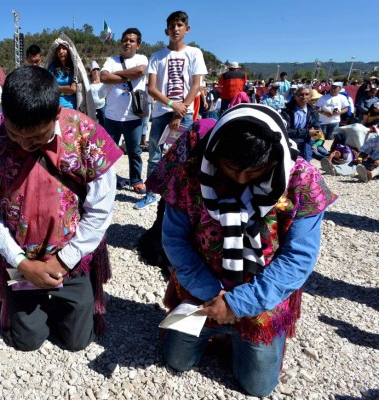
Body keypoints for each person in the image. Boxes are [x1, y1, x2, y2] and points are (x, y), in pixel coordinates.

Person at [157, 103, 337, 397]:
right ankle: (219, 330)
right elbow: (175, 239)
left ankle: (236, 332)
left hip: (262, 295)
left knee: (258, 387)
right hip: (201, 290)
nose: (239, 180)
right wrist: (211, 294)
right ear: (215, 154)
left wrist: (238, 304)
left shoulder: (301, 179)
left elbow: (298, 257)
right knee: (176, 361)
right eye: (230, 167)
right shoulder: (191, 171)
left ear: (273, 160)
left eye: (253, 171)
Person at [0, 66, 122, 351]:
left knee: (77, 341)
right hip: (20, 259)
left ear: (56, 115)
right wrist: (24, 263)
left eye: (37, 137)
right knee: (28, 341)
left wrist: (62, 261)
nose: (25, 145)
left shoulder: (87, 136)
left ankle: (76, 294)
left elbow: (100, 211)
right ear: (4, 116)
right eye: (15, 135)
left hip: (72, 258)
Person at [136, 10, 207, 209]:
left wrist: (179, 110)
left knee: (184, 155)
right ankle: (150, 193)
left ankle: (180, 196)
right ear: (166, 30)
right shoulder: (157, 56)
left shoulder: (194, 53)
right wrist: (171, 104)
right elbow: (151, 88)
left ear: (187, 28)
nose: (176, 29)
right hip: (161, 112)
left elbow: (195, 85)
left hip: (183, 114)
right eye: (172, 26)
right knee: (155, 154)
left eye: (180, 25)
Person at [100, 28, 149, 195]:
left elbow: (140, 71)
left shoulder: (141, 58)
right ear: (121, 42)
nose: (128, 43)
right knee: (108, 152)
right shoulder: (111, 60)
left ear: (138, 44)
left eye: (132, 40)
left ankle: (136, 180)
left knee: (135, 151)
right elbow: (104, 77)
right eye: (125, 40)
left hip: (133, 117)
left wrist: (116, 75)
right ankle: (107, 180)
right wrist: (129, 76)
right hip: (112, 117)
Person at [45, 33, 95, 117]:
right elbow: (47, 86)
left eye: (64, 48)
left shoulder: (74, 68)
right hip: (54, 108)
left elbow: (72, 89)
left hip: (70, 107)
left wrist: (56, 88)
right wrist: (65, 89)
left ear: (68, 51)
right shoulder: (52, 67)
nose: (61, 51)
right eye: (59, 49)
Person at [280, 85, 321, 161]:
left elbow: (317, 130)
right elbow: (285, 131)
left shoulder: (313, 112)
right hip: (290, 144)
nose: (304, 97)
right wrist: (307, 132)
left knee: (304, 167)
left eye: (306, 94)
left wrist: (316, 142)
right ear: (295, 97)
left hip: (306, 146)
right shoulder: (286, 112)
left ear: (310, 97)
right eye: (301, 94)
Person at [88, 60, 106, 126]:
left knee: (104, 123)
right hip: (92, 107)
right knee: (93, 124)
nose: (96, 71)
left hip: (102, 106)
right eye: (94, 69)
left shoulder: (103, 80)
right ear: (91, 71)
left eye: (97, 69)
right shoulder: (88, 82)